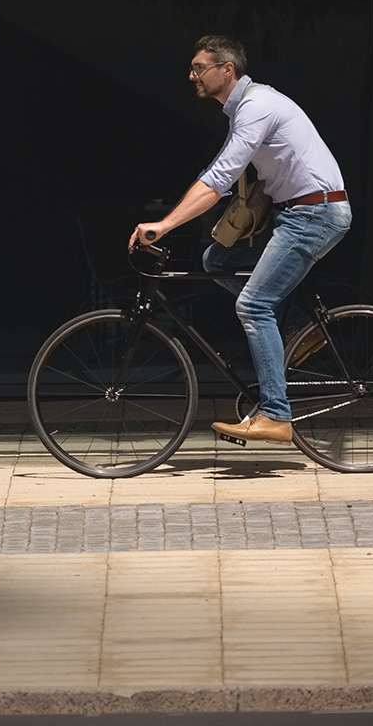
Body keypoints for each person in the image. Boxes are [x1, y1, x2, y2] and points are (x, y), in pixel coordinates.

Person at [126, 35, 351, 443]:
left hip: (315, 215)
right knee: (218, 260)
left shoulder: (256, 106)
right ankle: (299, 329)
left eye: (199, 68)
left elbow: (220, 177)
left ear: (226, 70)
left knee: (253, 305)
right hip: (297, 214)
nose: (191, 75)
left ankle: (276, 416)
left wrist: (165, 224)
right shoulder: (246, 108)